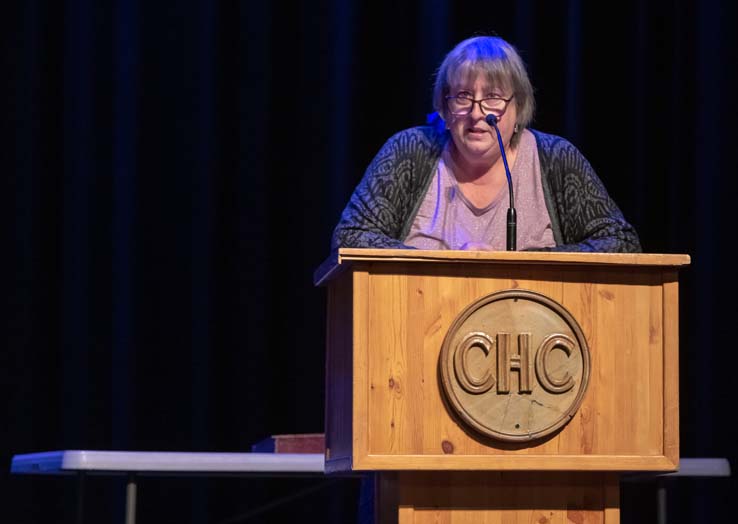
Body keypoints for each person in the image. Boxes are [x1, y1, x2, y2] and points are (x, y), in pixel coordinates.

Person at [331, 35, 641, 253]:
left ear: (518, 107)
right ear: (445, 106)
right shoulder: (410, 152)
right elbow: (351, 237)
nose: (477, 113)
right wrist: (449, 264)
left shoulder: (555, 159)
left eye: (492, 97)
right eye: (463, 96)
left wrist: (519, 264)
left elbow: (619, 241)